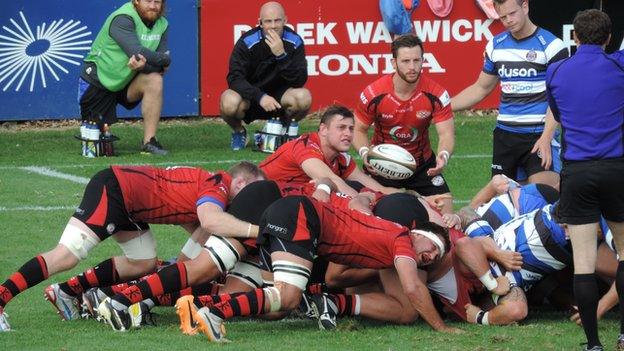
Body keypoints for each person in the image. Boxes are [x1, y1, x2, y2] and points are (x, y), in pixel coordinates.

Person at [0, 162, 264, 331]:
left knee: (143, 262)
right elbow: (210, 221)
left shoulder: (211, 189)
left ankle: (68, 292)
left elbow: (197, 239)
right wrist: (258, 231)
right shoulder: (218, 184)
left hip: (130, 207)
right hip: (115, 191)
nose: (254, 201)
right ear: (239, 183)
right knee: (66, 256)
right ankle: (1, 298)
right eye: (254, 192)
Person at [175, 196, 460, 342]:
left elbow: (336, 275)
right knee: (287, 297)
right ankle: (213, 313)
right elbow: (412, 287)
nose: (431, 256)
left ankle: (202, 305)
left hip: (291, 214)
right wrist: (441, 328)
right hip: (300, 216)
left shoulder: (387, 239)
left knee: (278, 309)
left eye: (438, 256)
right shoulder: (402, 240)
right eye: (433, 246)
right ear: (417, 234)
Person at [543, 9, 624, 351]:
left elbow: (559, 114)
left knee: (584, 264)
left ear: (573, 38)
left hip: (576, 173)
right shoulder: (620, 66)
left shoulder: (557, 70)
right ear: (608, 39)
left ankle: (593, 344)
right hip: (616, 170)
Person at [451, 0, 568, 186]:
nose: (508, 21)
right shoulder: (496, 45)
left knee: (542, 197)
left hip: (538, 136)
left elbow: (560, 98)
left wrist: (546, 137)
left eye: (512, 14)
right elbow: (481, 88)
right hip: (505, 137)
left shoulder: (553, 46)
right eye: (502, 17)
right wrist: (444, 108)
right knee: (503, 202)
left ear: (525, 6)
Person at [354, 34, 455, 211]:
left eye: (417, 61)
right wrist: (365, 155)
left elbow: (446, 133)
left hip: (422, 164)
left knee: (445, 210)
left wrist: (443, 156)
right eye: (406, 61)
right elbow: (358, 130)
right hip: (381, 164)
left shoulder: (436, 94)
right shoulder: (374, 94)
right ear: (394, 63)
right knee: (367, 211)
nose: (412, 67)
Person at [79, 0, 171, 155]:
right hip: (99, 79)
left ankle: (149, 141)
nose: (153, 6)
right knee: (96, 144)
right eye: (148, 1)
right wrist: (163, 61)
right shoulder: (123, 18)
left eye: (157, 2)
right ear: (136, 1)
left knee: (155, 79)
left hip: (127, 80)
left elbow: (161, 65)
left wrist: (152, 64)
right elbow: (138, 52)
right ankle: (98, 131)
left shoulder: (162, 24)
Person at [221, 1, 311, 151]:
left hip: (281, 97)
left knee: (304, 97)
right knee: (228, 101)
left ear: (285, 21)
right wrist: (260, 96)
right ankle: (239, 131)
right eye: (268, 21)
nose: (273, 25)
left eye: (277, 20)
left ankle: (283, 127)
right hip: (251, 97)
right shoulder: (246, 42)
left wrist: (281, 55)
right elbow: (234, 78)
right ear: (260, 23)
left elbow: (300, 80)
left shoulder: (295, 41)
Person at [260, 104, 399, 197]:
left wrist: (412, 197)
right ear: (324, 129)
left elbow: (379, 189)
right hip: (256, 195)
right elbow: (335, 182)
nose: (348, 134)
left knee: (357, 187)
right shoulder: (306, 147)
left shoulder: (343, 158)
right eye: (341, 127)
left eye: (351, 129)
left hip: (285, 200)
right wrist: (365, 201)